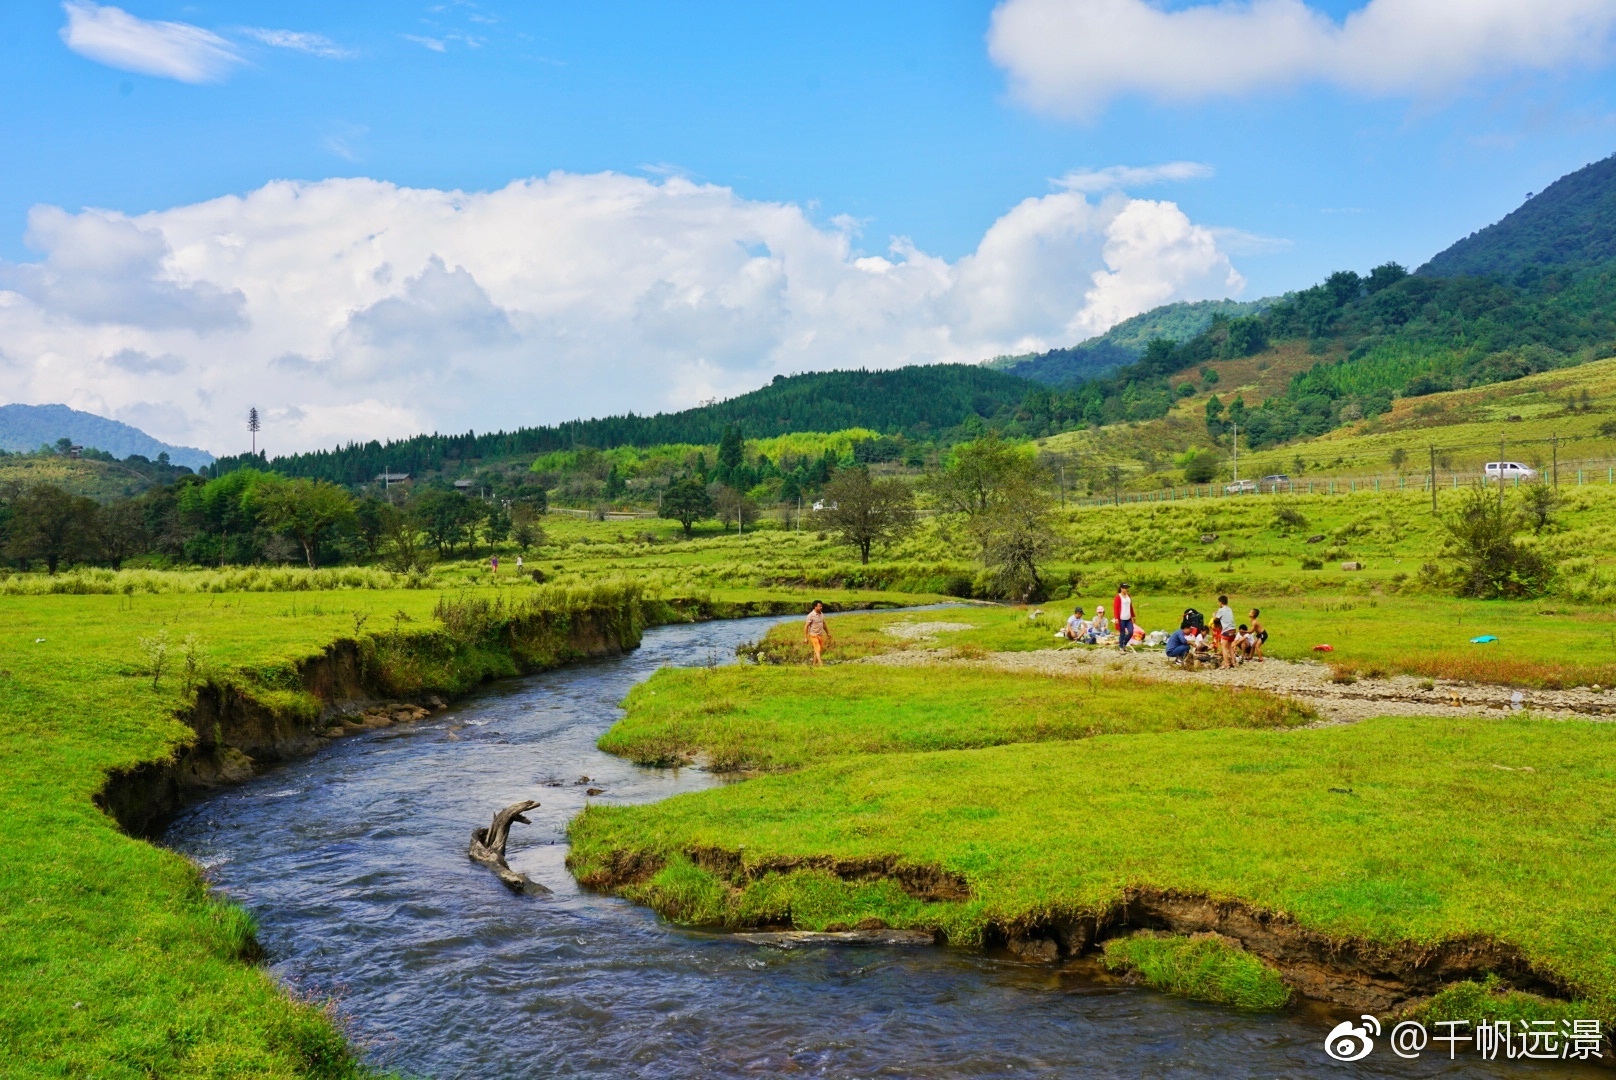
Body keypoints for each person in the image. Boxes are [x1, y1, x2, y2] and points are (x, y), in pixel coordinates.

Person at [804, 600, 833, 666]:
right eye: (820, 606)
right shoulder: (810, 615)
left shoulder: (821, 614)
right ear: (815, 607)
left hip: (820, 634)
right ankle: (820, 663)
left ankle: (814, 665)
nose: (821, 607)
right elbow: (806, 626)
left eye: (821, 606)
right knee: (817, 648)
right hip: (813, 635)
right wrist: (805, 638)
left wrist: (828, 633)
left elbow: (824, 624)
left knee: (818, 650)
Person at [1113, 583, 1138, 654]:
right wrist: (1116, 618)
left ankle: (1124, 643)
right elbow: (1115, 608)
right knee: (1122, 633)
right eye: (1124, 588)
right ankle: (1121, 648)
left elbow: (1130, 607)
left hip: (1128, 618)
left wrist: (1133, 615)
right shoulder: (1118, 597)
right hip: (1121, 618)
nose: (1126, 589)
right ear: (1121, 589)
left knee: (1131, 632)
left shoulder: (1128, 596)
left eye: (1127, 588)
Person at [1213, 594, 1236, 668]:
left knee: (1224, 647)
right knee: (1230, 647)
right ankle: (1234, 662)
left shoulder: (1221, 610)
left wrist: (1214, 615)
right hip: (1233, 630)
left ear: (1220, 602)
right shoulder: (1229, 609)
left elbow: (1215, 619)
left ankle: (1226, 663)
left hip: (1226, 630)